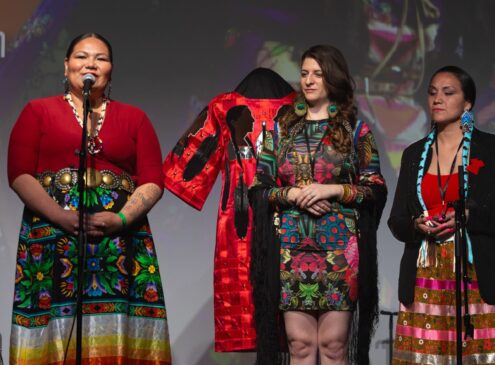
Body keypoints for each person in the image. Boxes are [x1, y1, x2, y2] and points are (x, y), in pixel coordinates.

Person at [7, 33, 171, 364]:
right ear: (66, 64)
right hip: (54, 238)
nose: (91, 64)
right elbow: (19, 174)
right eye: (82, 56)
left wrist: (122, 219)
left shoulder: (135, 117)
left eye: (101, 58)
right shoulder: (37, 111)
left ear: (111, 69)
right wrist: (60, 216)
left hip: (120, 242)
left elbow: (153, 180)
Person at [249, 45, 387, 365]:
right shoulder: (282, 126)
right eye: (305, 73)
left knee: (333, 345)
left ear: (333, 78)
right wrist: (292, 195)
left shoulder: (355, 128)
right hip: (292, 248)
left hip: (339, 249)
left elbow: (375, 188)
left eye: (318, 74)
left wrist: (334, 190)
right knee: (299, 344)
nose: (309, 81)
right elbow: (260, 187)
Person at [162, 67, 295, 352]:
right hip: (292, 223)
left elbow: (184, 173)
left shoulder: (223, 107)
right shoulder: (301, 108)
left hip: (240, 226)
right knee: (300, 332)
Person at [388, 65, 495, 364]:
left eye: (448, 93)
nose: (438, 99)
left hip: (475, 276)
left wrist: (469, 218)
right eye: (433, 93)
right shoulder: (413, 154)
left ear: (468, 104)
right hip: (425, 276)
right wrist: (416, 224)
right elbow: (396, 221)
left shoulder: (490, 150)